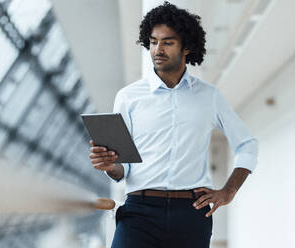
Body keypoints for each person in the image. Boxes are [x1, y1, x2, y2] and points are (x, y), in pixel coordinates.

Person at [89, 2, 258, 247]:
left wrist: (228, 191)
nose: (158, 49)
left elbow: (248, 145)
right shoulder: (128, 97)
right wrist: (109, 165)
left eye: (168, 42)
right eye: (154, 41)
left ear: (187, 47)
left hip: (191, 213)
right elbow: (121, 168)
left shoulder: (209, 96)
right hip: (139, 212)